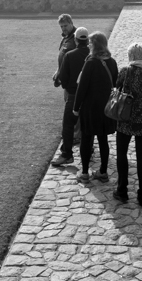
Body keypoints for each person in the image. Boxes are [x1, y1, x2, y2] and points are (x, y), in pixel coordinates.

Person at [113, 42, 142, 207]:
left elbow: (117, 86)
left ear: (131, 56)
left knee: (122, 153)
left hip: (126, 116)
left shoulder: (126, 71)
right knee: (141, 156)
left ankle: (122, 190)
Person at [72, 31, 118, 184]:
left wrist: (76, 107)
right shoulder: (112, 62)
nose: (88, 45)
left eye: (90, 43)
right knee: (103, 139)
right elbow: (115, 84)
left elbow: (82, 88)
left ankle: (85, 173)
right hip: (105, 107)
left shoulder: (90, 63)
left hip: (90, 108)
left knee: (86, 139)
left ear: (95, 45)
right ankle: (103, 172)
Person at [51, 27, 89, 166]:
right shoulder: (92, 55)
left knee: (68, 125)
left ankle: (67, 154)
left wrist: (67, 86)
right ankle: (88, 149)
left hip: (73, 94)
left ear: (76, 40)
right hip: (88, 96)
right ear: (87, 40)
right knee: (86, 126)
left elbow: (63, 78)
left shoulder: (70, 55)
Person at [51, 14, 77, 166]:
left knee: (70, 118)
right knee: (73, 115)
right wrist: (58, 70)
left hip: (73, 85)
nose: (63, 29)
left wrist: (63, 75)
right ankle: (77, 138)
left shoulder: (76, 39)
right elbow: (62, 57)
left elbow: (75, 62)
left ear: (71, 23)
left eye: (65, 26)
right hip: (67, 83)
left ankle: (68, 151)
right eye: (61, 26)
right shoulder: (66, 38)